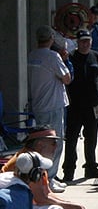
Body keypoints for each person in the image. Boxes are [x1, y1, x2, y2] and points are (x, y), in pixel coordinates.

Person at [27, 25, 72, 190]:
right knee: (54, 143)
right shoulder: (53, 56)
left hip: (39, 104)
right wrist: (65, 60)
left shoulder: (32, 55)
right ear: (51, 39)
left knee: (41, 144)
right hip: (53, 104)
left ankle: (43, 176)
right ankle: (49, 178)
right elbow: (67, 78)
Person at [64, 29, 98, 182]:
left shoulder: (95, 56)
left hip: (93, 105)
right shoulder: (70, 57)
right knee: (71, 139)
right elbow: (65, 82)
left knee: (91, 138)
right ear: (77, 42)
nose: (85, 44)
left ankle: (91, 167)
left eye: (88, 41)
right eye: (82, 41)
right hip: (75, 106)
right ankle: (68, 170)